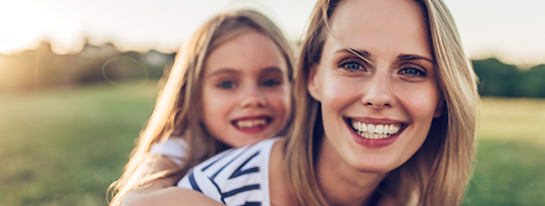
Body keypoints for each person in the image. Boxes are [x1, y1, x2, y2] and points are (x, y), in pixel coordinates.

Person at [178, 0, 479, 205]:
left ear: (442, 97)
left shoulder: (415, 196)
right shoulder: (214, 192)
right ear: (313, 78)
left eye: (412, 71)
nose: (378, 96)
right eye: (352, 64)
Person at [107, 9, 295, 206]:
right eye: (227, 84)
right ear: (193, 95)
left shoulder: (310, 138)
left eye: (271, 81)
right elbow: (136, 201)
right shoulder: (182, 144)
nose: (253, 99)